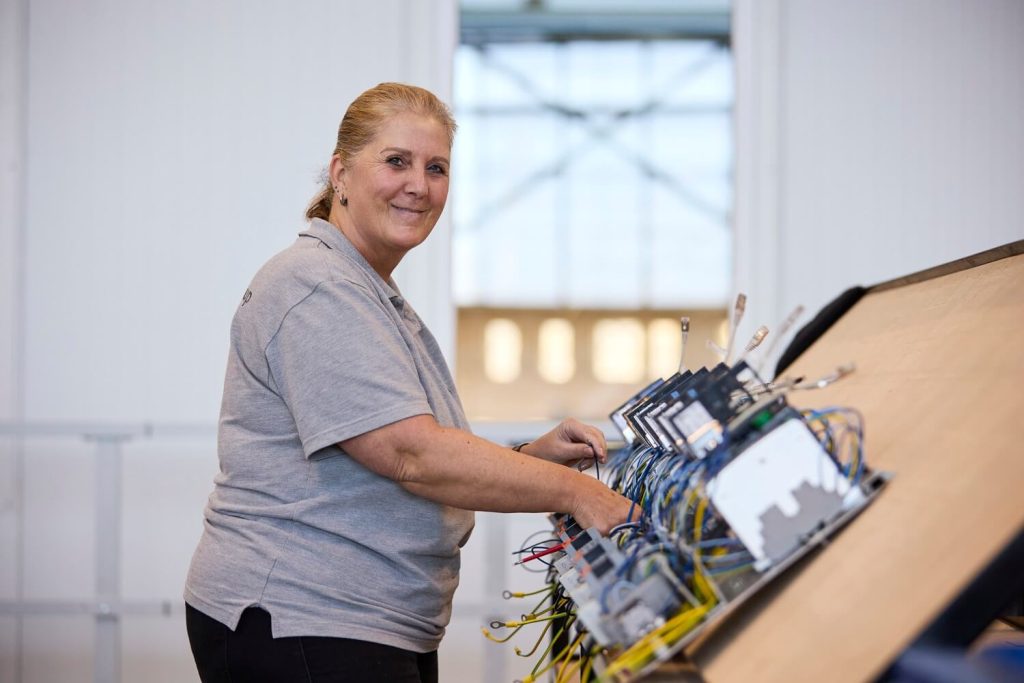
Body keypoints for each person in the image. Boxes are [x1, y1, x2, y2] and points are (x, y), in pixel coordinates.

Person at [184, 82, 632, 683]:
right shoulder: (317, 286)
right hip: (303, 615)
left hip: (361, 619)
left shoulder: (368, 290)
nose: (419, 185)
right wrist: (578, 493)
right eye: (396, 161)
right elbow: (410, 455)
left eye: (436, 167)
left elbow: (409, 446)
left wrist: (528, 458)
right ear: (340, 172)